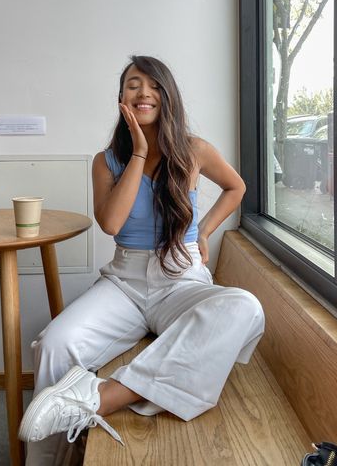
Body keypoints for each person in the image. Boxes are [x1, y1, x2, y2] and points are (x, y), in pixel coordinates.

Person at [20, 55, 265, 465]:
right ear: (121, 98)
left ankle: (103, 396)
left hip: (182, 277)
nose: (144, 93)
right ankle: (48, 460)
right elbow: (112, 223)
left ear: (168, 96)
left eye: (153, 85)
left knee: (245, 307)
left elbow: (235, 187)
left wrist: (203, 231)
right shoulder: (106, 161)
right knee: (53, 345)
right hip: (124, 283)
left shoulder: (194, 150)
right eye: (134, 85)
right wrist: (138, 153)